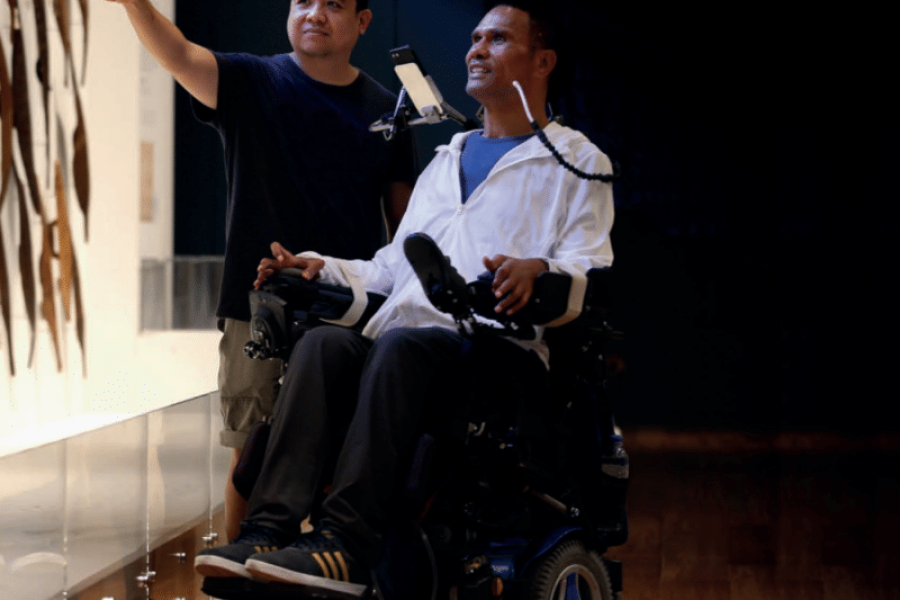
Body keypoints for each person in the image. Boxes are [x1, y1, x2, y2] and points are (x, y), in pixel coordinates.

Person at [194, 2, 614, 597]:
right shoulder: (447, 161)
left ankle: (344, 543)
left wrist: (539, 269)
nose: (476, 49)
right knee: (323, 346)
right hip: (413, 346)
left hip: (496, 355)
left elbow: (589, 270)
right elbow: (392, 265)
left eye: (498, 39)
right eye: (474, 38)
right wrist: (323, 267)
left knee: (400, 349)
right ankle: (268, 530)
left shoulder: (577, 161)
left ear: (542, 61)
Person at [104, 0, 417, 540]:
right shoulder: (251, 79)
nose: (315, 13)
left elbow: (405, 228)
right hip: (256, 311)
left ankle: (322, 574)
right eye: (303, 1)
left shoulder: (387, 111)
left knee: (340, 459)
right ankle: (239, 576)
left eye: (334, 5)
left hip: (345, 312)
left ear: (363, 22)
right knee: (250, 454)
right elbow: (177, 55)